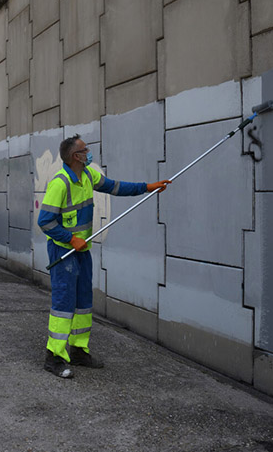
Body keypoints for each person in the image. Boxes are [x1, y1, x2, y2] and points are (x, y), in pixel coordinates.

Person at [37, 134, 171, 378]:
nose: (89, 152)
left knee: (83, 302)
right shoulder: (60, 183)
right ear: (75, 157)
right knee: (64, 304)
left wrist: (147, 187)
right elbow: (44, 221)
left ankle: (79, 351)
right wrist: (70, 239)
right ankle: (54, 356)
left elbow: (114, 187)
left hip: (82, 250)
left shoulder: (88, 175)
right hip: (64, 251)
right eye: (85, 150)